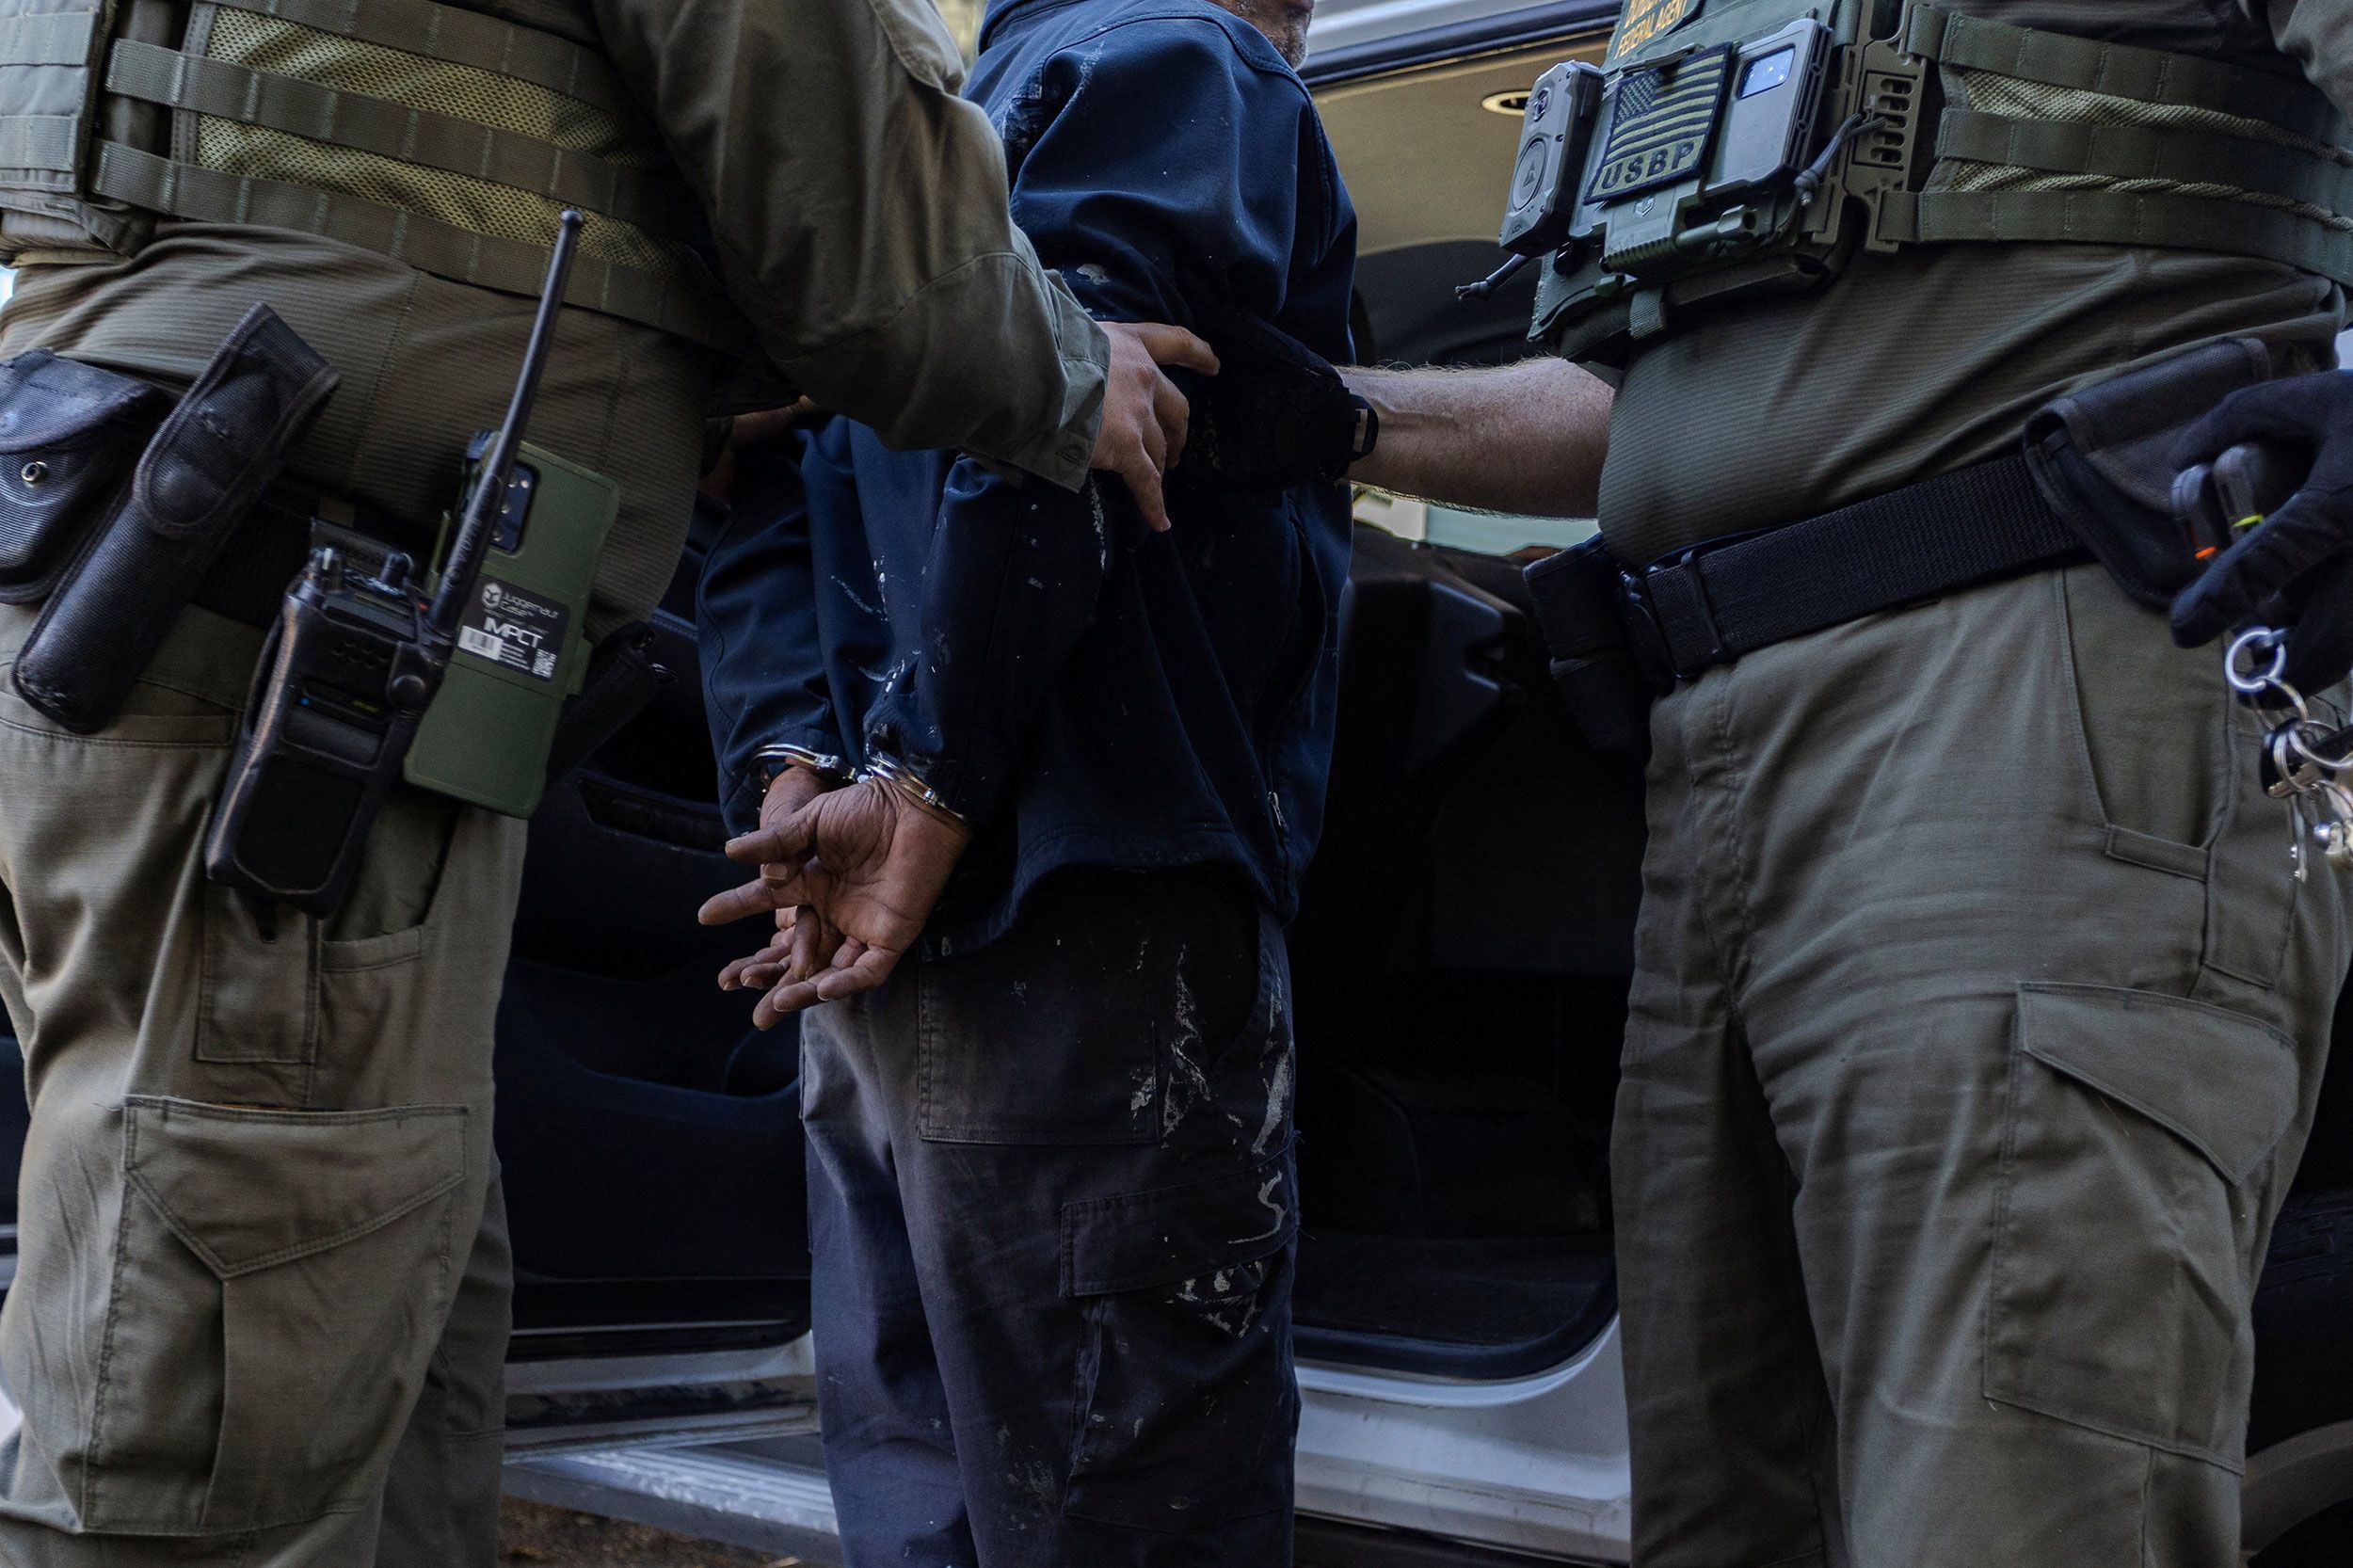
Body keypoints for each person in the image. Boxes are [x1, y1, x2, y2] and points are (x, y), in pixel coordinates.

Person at [0, 0, 1216, 1561]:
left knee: (366, 1326)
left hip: (139, 566)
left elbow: (427, 173)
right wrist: (1069, 371)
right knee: (210, 1422)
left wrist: (677, 358)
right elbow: (857, 234)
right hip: (280, 654)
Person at [1327, 1, 2353, 1564]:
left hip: (2024, 682)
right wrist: (1334, 413)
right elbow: (1646, 413)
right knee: (1728, 1514)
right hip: (1715, 748)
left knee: (2002, 1509)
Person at [695, 0, 1357, 1557]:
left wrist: (797, 779)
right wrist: (931, 780)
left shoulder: (919, 141)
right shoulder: (1185, 60)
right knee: (1134, 1513)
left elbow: (767, 485)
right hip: (1090, 939)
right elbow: (1067, 424)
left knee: (922, 1507)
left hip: (872, 954)